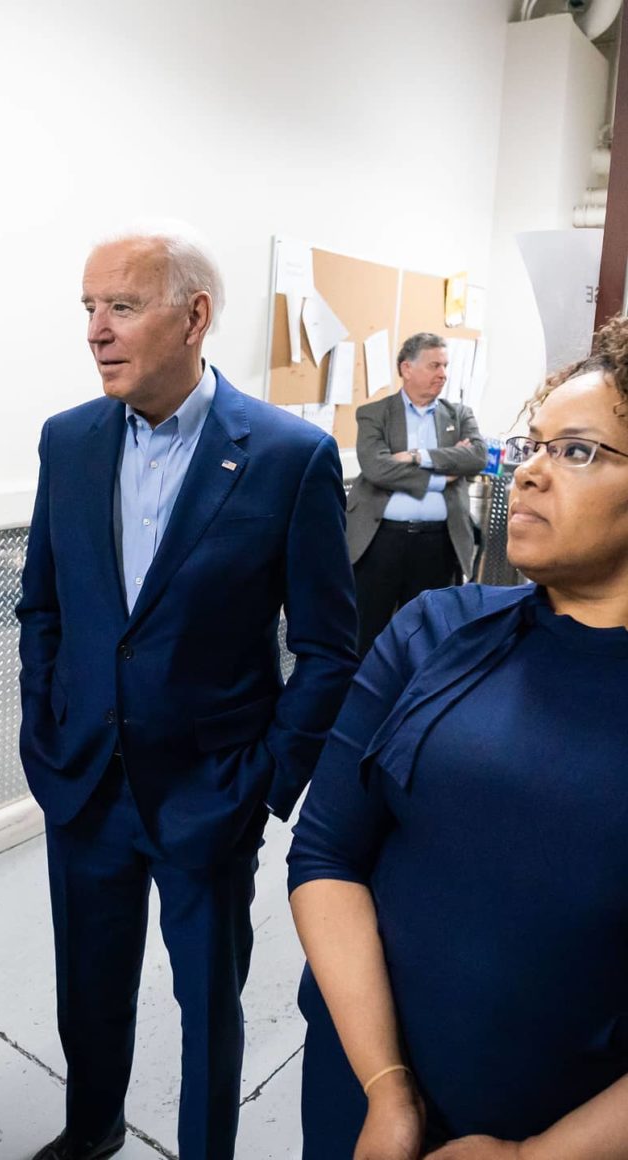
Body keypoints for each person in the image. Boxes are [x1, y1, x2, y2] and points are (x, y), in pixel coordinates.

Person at [17, 222, 359, 1160]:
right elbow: (42, 605)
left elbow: (328, 649)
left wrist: (265, 781)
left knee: (208, 1004)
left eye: (122, 307)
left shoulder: (288, 455)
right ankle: (92, 1131)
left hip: (210, 792)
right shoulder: (69, 441)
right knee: (88, 987)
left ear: (194, 317)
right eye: (89, 308)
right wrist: (43, 729)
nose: (96, 330)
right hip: (84, 782)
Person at [288, 317, 628, 1159]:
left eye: (576, 451)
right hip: (359, 1083)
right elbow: (326, 853)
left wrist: (533, 1156)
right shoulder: (435, 630)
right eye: (532, 445)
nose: (529, 471)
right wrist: (385, 1090)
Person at [345, 333, 487, 656]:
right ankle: (360, 687)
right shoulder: (374, 413)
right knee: (366, 631)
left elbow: (477, 456)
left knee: (426, 634)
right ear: (406, 368)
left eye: (445, 365)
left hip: (438, 543)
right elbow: (377, 468)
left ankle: (416, 688)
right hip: (380, 541)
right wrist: (443, 476)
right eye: (434, 365)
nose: (443, 374)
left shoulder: (459, 415)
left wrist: (417, 456)